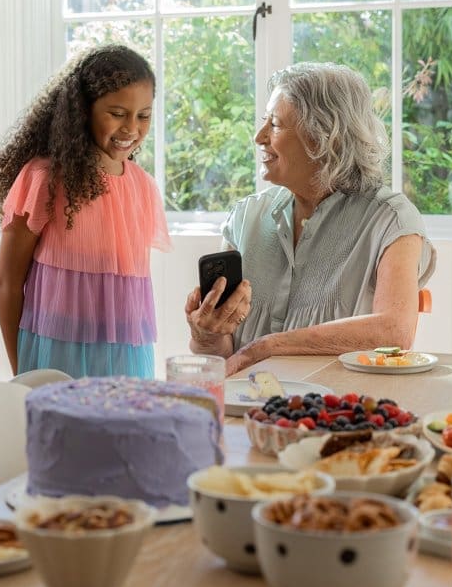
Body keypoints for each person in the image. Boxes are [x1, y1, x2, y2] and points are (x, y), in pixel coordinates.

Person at [185, 62, 436, 376]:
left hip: (337, 412)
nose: (258, 137)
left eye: (274, 124)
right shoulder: (246, 217)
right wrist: (206, 334)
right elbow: (221, 358)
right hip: (249, 406)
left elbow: (394, 332)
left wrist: (268, 346)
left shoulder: (391, 219)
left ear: (323, 137)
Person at [0, 44, 170, 379]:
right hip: (55, 357)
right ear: (83, 110)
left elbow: (126, 293)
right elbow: (8, 281)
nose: (131, 128)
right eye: (117, 113)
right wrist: (22, 372)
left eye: (143, 115)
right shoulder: (44, 179)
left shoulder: (142, 187)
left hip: (126, 363)